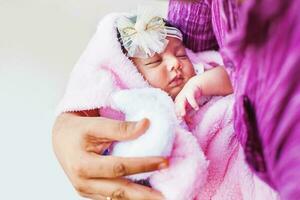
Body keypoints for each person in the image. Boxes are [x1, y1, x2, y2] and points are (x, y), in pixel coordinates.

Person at [168, 0, 300, 199]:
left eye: (180, 55)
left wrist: (199, 84)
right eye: (154, 62)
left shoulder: (199, 69)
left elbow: (229, 73)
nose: (174, 63)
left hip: (242, 156)